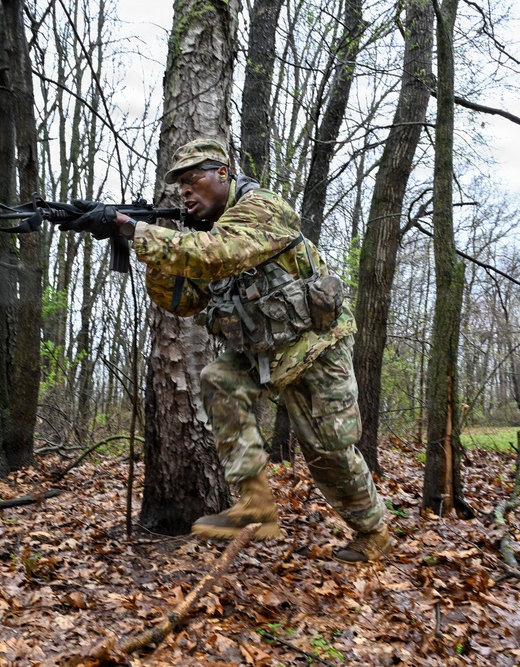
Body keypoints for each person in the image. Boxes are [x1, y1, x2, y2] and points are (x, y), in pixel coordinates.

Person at [66, 138, 391, 563]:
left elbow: (217, 256)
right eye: (179, 183)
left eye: (193, 178)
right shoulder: (204, 237)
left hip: (313, 344)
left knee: (328, 450)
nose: (184, 190)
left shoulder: (263, 209)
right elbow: (182, 302)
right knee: (218, 378)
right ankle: (256, 504)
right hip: (261, 351)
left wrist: (135, 229)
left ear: (223, 173)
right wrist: (140, 246)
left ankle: (374, 532)